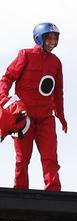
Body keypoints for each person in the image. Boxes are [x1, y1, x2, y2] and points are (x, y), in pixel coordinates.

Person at [0, 23, 67, 190]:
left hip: (46, 118)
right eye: (49, 38)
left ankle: (53, 191)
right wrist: (5, 101)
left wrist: (61, 115)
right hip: (24, 119)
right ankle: (20, 192)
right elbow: (7, 79)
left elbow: (58, 92)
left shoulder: (56, 63)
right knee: (22, 159)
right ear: (39, 38)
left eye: (55, 38)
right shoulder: (26, 55)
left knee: (50, 157)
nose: (52, 41)